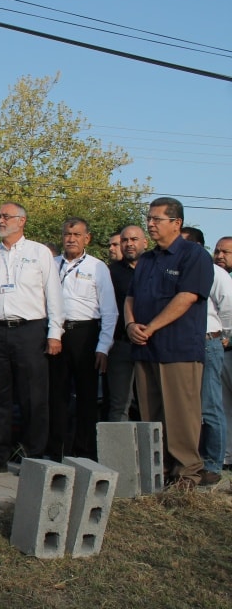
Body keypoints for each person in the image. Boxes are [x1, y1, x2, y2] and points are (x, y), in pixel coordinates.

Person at [0, 201, 63, 474]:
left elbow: (53, 294)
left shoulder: (40, 253)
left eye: (6, 216)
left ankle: (34, 457)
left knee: (33, 397)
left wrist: (55, 333)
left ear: (22, 221)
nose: (0, 220)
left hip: (31, 330)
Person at [124, 197, 213, 489]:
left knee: (181, 415)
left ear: (176, 223)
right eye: (149, 218)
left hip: (178, 349)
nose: (150, 224)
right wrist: (130, 324)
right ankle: (158, 470)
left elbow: (186, 297)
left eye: (156, 219)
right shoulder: (147, 259)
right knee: (152, 416)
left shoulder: (194, 255)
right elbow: (130, 297)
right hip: (145, 349)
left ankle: (187, 474)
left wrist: (150, 327)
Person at [46, 218, 117, 461]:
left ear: (87, 238)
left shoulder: (98, 267)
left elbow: (110, 310)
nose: (71, 239)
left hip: (86, 335)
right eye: (67, 234)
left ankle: (84, 451)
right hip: (56, 333)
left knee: (87, 397)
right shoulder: (51, 264)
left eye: (77, 234)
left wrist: (103, 347)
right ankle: (57, 451)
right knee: (56, 395)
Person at [179, 227, 232, 485]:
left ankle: (213, 463)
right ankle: (192, 460)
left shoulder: (215, 272)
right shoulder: (178, 268)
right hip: (183, 342)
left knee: (211, 405)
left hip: (208, 341)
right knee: (188, 407)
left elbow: (228, 306)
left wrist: (223, 334)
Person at [104, 225, 147, 422]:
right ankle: (117, 453)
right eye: (125, 240)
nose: (129, 244)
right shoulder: (109, 273)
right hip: (121, 345)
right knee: (119, 405)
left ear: (145, 242)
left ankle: (156, 452)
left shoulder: (155, 269)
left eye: (134, 239)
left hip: (151, 344)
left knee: (151, 403)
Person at [215, 236, 232, 470]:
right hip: (220, 352)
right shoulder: (214, 278)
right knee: (222, 407)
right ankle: (227, 458)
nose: (219, 256)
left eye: (225, 252)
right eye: (217, 251)